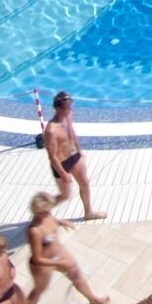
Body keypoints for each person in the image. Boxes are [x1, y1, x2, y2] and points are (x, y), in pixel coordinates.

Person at [24, 193, 109, 304]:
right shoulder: (34, 231)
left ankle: (93, 300)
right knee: (40, 289)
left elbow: (52, 220)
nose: (49, 213)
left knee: (76, 274)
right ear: (37, 212)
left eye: (49, 210)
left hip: (58, 253)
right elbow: (37, 258)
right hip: (42, 264)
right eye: (45, 211)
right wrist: (59, 263)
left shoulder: (47, 215)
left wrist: (62, 222)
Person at [44, 91, 104, 220]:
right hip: (61, 163)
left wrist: (79, 151)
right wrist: (63, 174)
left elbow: (71, 132)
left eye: (70, 106)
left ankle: (88, 212)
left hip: (74, 156)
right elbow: (52, 156)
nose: (70, 109)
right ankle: (42, 210)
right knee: (65, 195)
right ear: (57, 108)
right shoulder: (51, 130)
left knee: (85, 184)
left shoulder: (68, 115)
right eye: (66, 108)